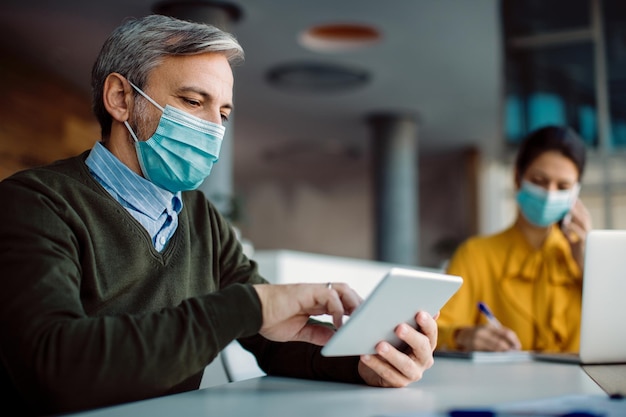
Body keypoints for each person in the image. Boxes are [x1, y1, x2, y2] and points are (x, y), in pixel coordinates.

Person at [0, 14, 438, 416]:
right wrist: (246, 306)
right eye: (193, 101)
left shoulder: (199, 217)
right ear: (119, 98)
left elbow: (274, 338)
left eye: (223, 113)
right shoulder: (34, 204)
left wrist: (369, 361)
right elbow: (53, 367)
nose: (213, 128)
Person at [437, 125, 592, 353]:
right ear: (518, 178)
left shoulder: (585, 258)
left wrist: (589, 265)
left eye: (563, 186)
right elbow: (436, 329)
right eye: (539, 180)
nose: (550, 194)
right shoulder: (475, 255)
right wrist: (463, 336)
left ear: (575, 193)